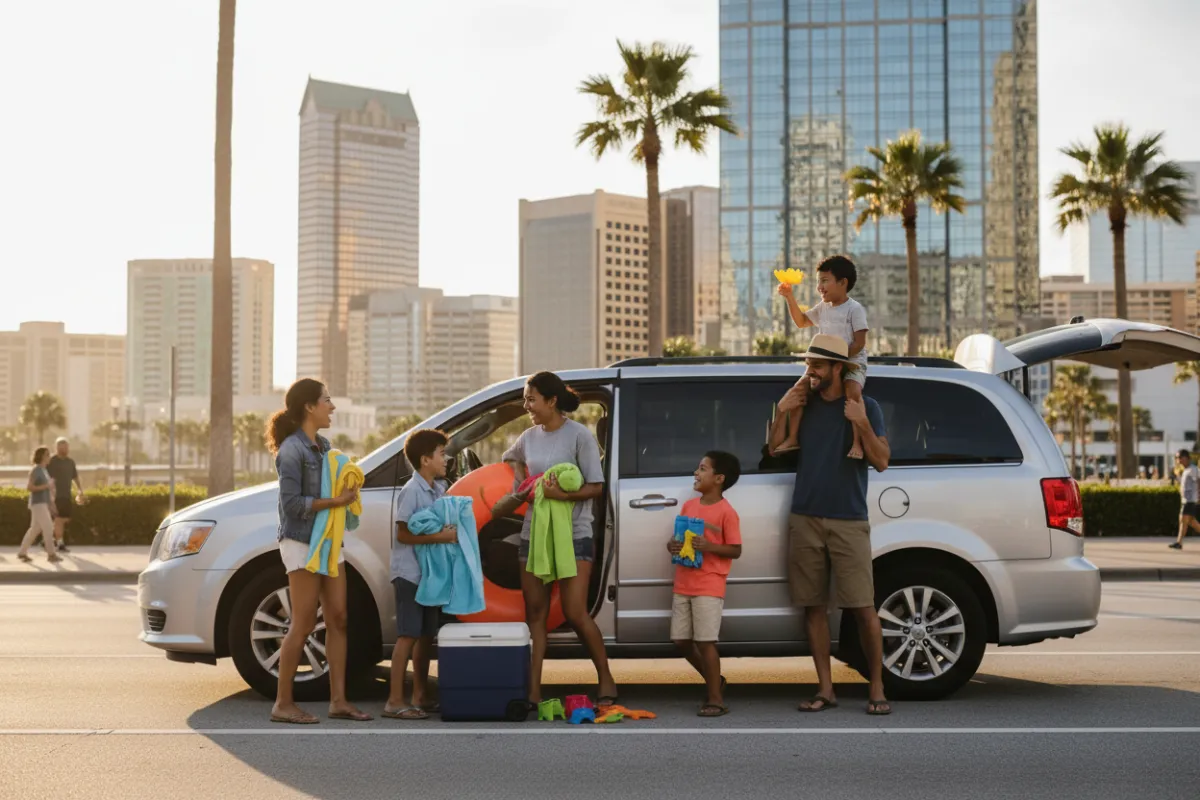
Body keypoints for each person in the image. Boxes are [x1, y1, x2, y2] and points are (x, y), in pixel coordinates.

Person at [769, 333, 892, 715]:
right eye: (808, 365)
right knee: (814, 607)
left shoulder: (865, 405)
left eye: (818, 366)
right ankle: (826, 689)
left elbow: (882, 460)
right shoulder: (802, 404)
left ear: (838, 368)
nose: (811, 372)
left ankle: (877, 687)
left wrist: (863, 424)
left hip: (849, 520)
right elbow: (774, 449)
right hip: (805, 517)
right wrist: (783, 410)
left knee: (862, 608)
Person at [503, 371, 618, 707]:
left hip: (574, 534)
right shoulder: (528, 437)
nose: (527, 405)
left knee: (575, 611)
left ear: (551, 401)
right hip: (534, 533)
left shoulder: (578, 436)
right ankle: (534, 690)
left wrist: (560, 496)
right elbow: (512, 457)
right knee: (535, 613)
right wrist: (521, 478)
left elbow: (595, 487)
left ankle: (607, 678)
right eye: (526, 399)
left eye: (531, 399)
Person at [266, 378, 370, 725]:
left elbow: (333, 485)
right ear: (309, 406)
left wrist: (348, 486)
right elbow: (293, 505)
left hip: (327, 541)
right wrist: (336, 501)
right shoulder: (291, 451)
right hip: (300, 542)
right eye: (327, 400)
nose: (332, 407)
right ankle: (283, 703)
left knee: (339, 617)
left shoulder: (324, 446)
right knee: (305, 621)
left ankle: (338, 700)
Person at [384, 428, 458, 720]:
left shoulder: (438, 489)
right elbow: (403, 534)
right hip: (410, 575)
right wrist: (440, 537)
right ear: (425, 459)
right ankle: (394, 700)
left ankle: (419, 696)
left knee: (426, 636)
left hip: (429, 577)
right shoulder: (412, 491)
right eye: (442, 454)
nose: (446, 458)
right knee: (408, 635)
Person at [667, 451, 743, 717]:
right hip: (683, 582)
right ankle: (716, 681)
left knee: (706, 642)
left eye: (702, 469)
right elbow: (676, 540)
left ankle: (715, 698)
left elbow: (735, 550)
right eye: (697, 468)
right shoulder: (689, 506)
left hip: (709, 584)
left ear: (719, 478)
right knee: (680, 639)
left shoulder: (726, 512)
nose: (696, 474)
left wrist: (709, 546)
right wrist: (672, 546)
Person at [776, 254, 870, 459]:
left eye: (825, 281)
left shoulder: (854, 309)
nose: (819, 286)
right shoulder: (823, 308)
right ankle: (793, 438)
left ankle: (857, 443)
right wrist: (790, 297)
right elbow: (801, 322)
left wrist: (839, 360)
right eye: (818, 281)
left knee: (853, 392)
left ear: (843, 283)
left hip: (852, 361)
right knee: (799, 390)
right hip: (823, 363)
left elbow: (859, 343)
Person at [18, 447, 60, 564]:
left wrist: (52, 504)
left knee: (35, 529)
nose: (49, 457)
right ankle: (51, 554)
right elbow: (29, 487)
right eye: (47, 454)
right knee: (48, 527)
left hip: (43, 503)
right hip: (37, 504)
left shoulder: (44, 470)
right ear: (41, 456)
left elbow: (47, 490)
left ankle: (22, 553)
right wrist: (46, 486)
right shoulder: (36, 470)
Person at [46, 438, 85, 554]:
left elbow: (75, 477)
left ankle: (49, 539)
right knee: (58, 520)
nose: (64, 449)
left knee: (64, 519)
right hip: (55, 496)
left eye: (66, 447)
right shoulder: (51, 461)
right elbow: (46, 478)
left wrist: (80, 490)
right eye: (62, 447)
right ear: (56, 448)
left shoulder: (70, 462)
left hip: (66, 495)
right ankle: (60, 543)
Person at [1170, 449, 1200, 550]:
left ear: (1186, 458)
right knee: (1191, 522)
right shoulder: (1186, 470)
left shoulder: (1193, 469)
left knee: (1183, 520)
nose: (1178, 460)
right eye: (1177, 458)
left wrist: (1199, 495)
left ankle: (1179, 542)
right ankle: (1179, 542)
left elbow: (1199, 481)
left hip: (1190, 500)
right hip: (1186, 500)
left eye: (1179, 458)